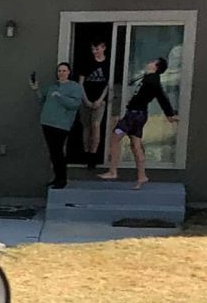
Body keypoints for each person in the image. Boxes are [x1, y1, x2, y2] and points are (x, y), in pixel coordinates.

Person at [103, 57, 178, 188]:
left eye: (152, 62)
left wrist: (169, 114)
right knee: (135, 145)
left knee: (115, 136)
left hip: (133, 115)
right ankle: (141, 176)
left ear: (156, 67)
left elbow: (161, 96)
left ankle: (113, 171)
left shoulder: (152, 79)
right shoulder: (147, 78)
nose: (148, 62)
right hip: (138, 115)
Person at [29, 63, 86, 191]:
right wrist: (36, 89)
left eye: (64, 70)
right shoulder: (53, 86)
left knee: (59, 152)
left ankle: (62, 179)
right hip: (47, 122)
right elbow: (42, 100)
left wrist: (61, 97)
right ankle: (56, 177)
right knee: (53, 152)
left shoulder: (74, 87)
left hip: (61, 124)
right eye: (59, 71)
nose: (61, 73)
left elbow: (75, 104)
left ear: (69, 72)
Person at [76, 39, 111, 166]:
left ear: (103, 48)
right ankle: (86, 152)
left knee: (96, 125)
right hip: (86, 98)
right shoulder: (86, 62)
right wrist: (85, 100)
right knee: (86, 126)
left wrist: (100, 99)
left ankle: (93, 154)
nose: (94, 52)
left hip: (100, 100)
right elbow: (81, 82)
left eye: (97, 49)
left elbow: (109, 84)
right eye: (92, 50)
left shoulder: (108, 64)